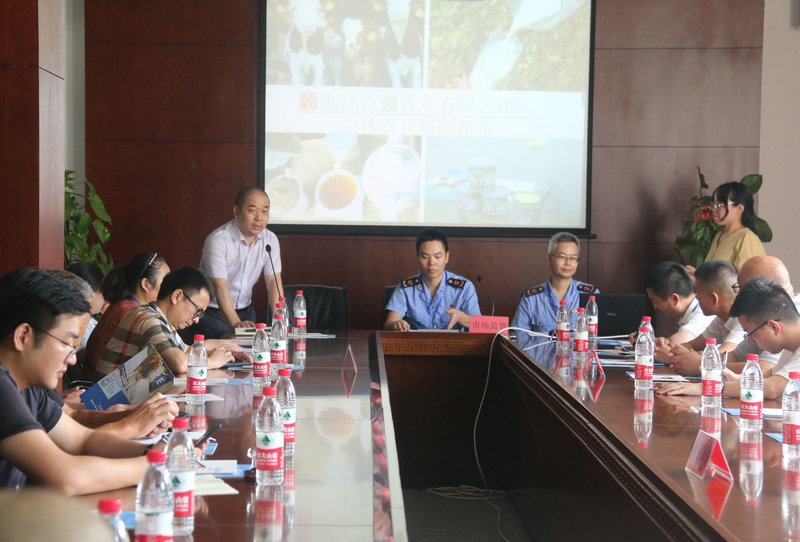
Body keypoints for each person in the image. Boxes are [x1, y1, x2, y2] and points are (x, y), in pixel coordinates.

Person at [0, 268, 153, 494]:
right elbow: (65, 476)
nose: (72, 359)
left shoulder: (28, 387)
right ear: (23, 336)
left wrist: (151, 452)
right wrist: (154, 466)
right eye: (67, 344)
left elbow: (82, 439)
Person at [659, 277, 800, 400]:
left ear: (774, 327)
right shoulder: (790, 345)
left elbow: (773, 388)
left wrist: (706, 388)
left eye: (750, 333)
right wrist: (736, 378)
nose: (751, 341)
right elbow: (772, 375)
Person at [97, 266, 237, 374]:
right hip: (111, 400)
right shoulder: (149, 319)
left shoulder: (158, 317)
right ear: (177, 296)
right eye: (197, 311)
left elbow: (186, 351)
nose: (196, 320)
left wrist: (226, 348)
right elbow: (179, 363)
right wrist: (213, 361)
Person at [191, 187, 284, 340]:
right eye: (252, 211)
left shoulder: (270, 239)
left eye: (264, 211)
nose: (259, 218)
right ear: (236, 211)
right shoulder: (218, 240)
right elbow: (219, 286)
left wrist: (280, 321)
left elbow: (273, 281)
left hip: (246, 313)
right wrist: (235, 323)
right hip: (212, 315)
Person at [85, 252, 169, 374]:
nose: (169, 288)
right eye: (165, 282)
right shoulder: (128, 312)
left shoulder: (128, 306)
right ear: (146, 284)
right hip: (102, 382)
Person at [384, 229, 480, 331]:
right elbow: (389, 324)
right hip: (416, 341)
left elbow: (481, 326)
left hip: (453, 341)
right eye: (425, 257)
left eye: (437, 257)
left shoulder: (464, 287)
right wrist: (396, 324)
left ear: (447, 257)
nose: (431, 263)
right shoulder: (406, 288)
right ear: (418, 257)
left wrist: (462, 318)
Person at [664, 260, 745, 375]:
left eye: (698, 293)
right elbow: (692, 344)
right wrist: (670, 351)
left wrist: (698, 361)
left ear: (714, 298)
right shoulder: (721, 318)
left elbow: (722, 358)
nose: (696, 298)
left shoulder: (743, 320)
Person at [511, 232, 597, 335]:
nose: (568, 263)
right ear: (549, 258)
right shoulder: (532, 298)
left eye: (573, 258)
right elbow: (518, 337)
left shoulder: (590, 295)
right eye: (562, 257)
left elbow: (602, 335)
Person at [637, 262, 714, 360]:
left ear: (675, 299)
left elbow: (675, 345)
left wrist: (644, 342)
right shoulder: (692, 310)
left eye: (655, 302)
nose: (655, 307)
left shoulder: (702, 313)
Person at [687, 181, 765, 274]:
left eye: (720, 205)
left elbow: (749, 280)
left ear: (739, 209)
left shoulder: (746, 238)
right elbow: (714, 277)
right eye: (713, 204)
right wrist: (697, 276)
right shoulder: (719, 236)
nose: (714, 209)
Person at [65, 262, 107, 350]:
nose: (105, 298)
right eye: (103, 291)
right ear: (91, 294)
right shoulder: (79, 327)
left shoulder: (86, 321)